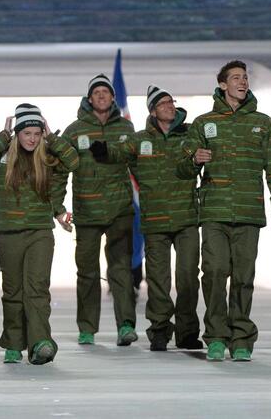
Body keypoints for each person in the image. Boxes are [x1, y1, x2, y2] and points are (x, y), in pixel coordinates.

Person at [178, 61, 271, 362]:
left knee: (243, 276)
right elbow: (182, 166)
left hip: (249, 212)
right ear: (223, 84)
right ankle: (215, 335)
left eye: (245, 78)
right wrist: (194, 159)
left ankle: (241, 337)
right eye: (236, 78)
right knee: (214, 272)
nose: (242, 82)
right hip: (214, 211)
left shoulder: (263, 123)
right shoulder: (203, 123)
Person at [91, 85, 201, 352]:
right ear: (153, 111)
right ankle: (160, 330)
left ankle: (187, 332)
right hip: (156, 221)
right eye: (162, 103)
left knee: (188, 277)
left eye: (171, 102)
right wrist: (102, 151)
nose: (169, 106)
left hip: (187, 218)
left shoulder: (190, 136)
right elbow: (118, 152)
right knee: (158, 279)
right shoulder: (140, 140)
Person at [0, 103, 79, 364]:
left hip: (40, 232)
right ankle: (13, 343)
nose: (32, 139)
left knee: (37, 289)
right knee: (13, 291)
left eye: (36, 133)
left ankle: (41, 342)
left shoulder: (48, 156)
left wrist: (52, 137)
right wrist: (3, 134)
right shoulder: (3, 157)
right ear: (17, 134)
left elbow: (73, 161)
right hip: (8, 231)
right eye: (26, 133)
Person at [56, 74, 138, 347]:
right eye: (97, 92)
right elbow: (59, 171)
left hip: (120, 212)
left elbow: (141, 167)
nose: (102, 96)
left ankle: (126, 325)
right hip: (87, 212)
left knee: (121, 270)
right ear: (89, 99)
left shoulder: (126, 128)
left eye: (106, 92)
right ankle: (87, 328)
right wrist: (58, 207)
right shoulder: (75, 130)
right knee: (87, 273)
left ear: (113, 98)